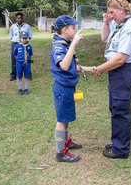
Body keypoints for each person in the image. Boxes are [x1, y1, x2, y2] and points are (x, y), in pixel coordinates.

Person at [93, 0, 131, 159]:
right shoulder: (121, 24)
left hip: (123, 70)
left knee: (120, 110)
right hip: (117, 71)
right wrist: (106, 22)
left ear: (121, 10)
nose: (109, 15)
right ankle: (118, 143)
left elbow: (121, 58)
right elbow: (104, 39)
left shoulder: (130, 27)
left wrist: (100, 68)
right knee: (115, 108)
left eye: (111, 12)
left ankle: (121, 150)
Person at [51, 15, 93, 163]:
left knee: (66, 118)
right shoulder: (59, 46)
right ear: (64, 29)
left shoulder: (64, 43)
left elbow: (72, 66)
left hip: (68, 87)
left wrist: (91, 69)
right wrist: (74, 44)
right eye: (73, 28)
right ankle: (60, 153)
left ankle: (65, 143)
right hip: (62, 88)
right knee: (62, 120)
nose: (75, 31)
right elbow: (64, 65)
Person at [9, 13, 32, 81]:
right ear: (16, 19)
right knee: (14, 59)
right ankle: (13, 75)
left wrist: (24, 43)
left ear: (23, 18)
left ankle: (28, 74)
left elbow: (29, 36)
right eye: (18, 18)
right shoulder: (13, 26)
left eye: (21, 18)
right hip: (15, 44)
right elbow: (11, 36)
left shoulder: (27, 26)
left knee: (26, 59)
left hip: (24, 45)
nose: (20, 19)